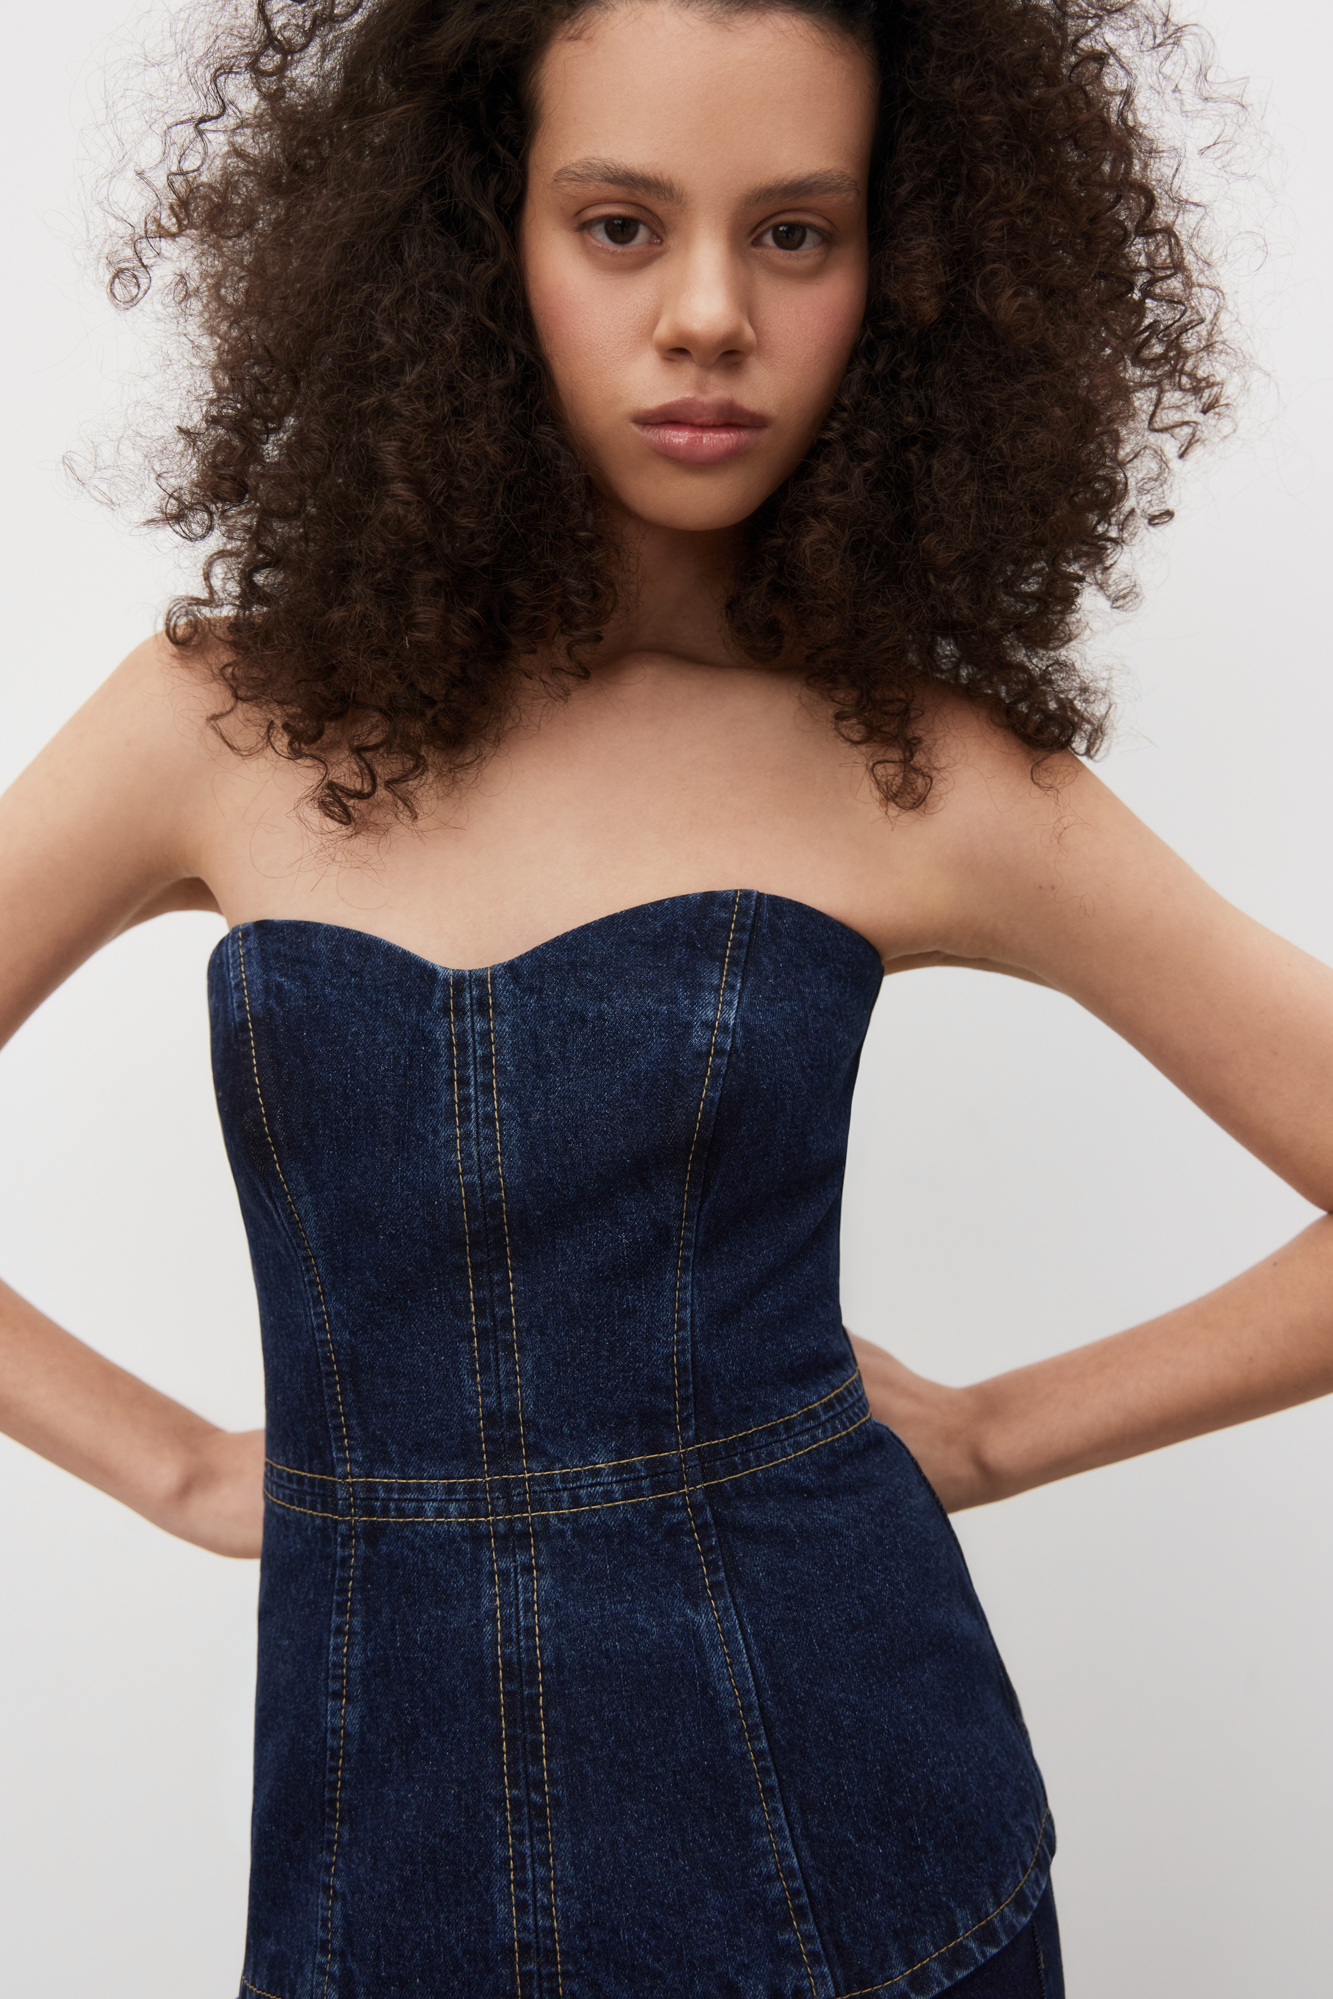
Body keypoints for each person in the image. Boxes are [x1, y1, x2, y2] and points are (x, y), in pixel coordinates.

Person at [2, 0, 1331, 1991]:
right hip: (376, 1871)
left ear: (899, 272)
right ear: (478, 238)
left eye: (794, 232)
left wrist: (990, 1431)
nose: (709, 315)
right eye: (619, 223)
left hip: (867, 1876)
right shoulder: (220, 719)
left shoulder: (921, 774)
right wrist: (177, 1467)